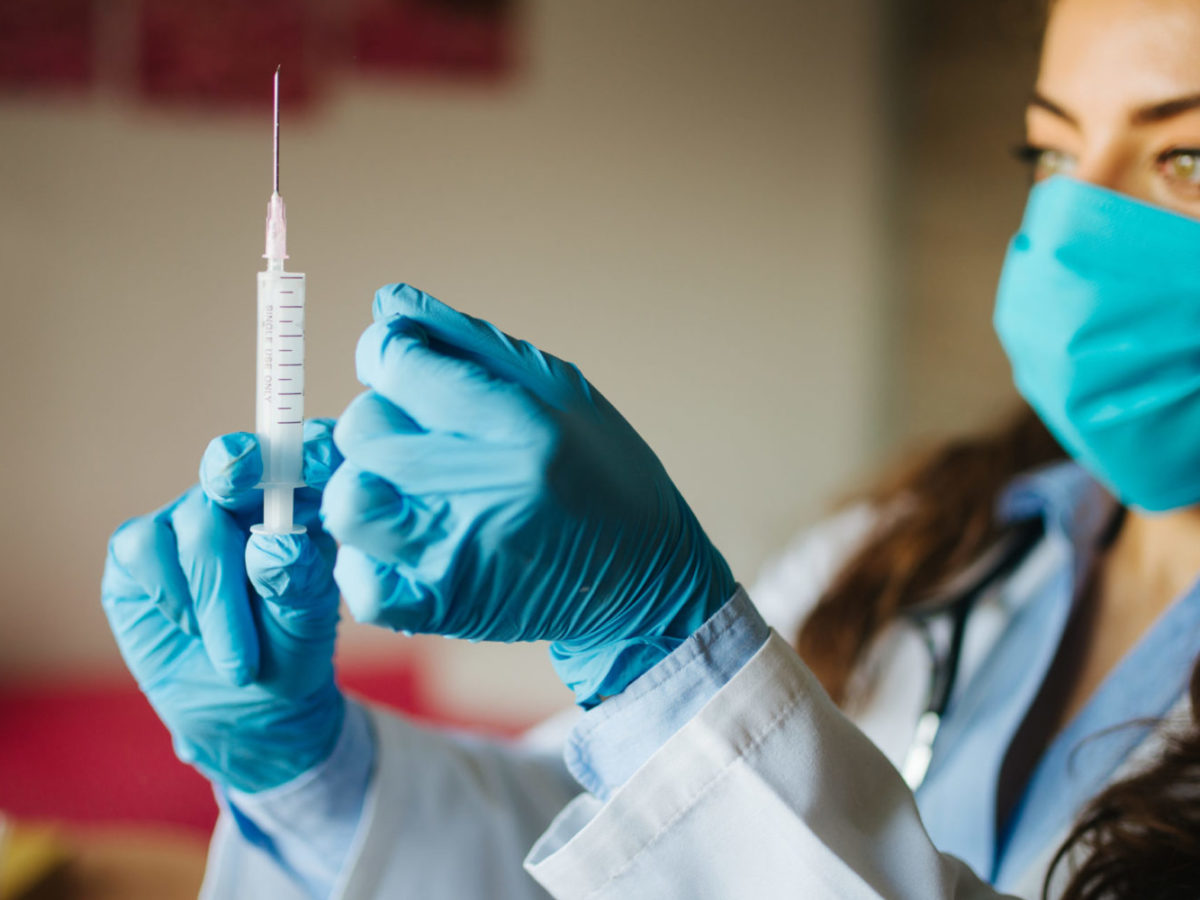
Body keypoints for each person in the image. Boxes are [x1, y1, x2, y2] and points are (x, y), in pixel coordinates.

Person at [100, 0, 1200, 896]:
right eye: (1051, 151)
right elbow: (618, 840)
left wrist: (661, 644)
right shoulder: (929, 540)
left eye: (1187, 158)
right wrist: (318, 781)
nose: (1072, 228)